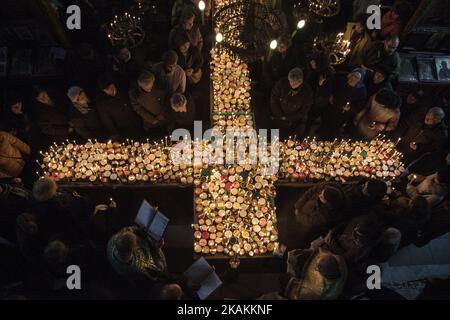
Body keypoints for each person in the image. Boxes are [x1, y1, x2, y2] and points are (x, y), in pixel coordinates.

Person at [282, 247, 347, 300]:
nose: (315, 266)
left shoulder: (318, 289)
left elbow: (300, 287)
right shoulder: (339, 260)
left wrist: (294, 266)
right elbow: (322, 253)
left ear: (322, 274)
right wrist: (307, 251)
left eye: (317, 267)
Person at [319, 68, 367, 139]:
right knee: (325, 122)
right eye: (353, 75)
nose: (353, 78)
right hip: (331, 107)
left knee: (335, 127)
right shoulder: (340, 78)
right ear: (349, 74)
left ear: (359, 81)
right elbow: (330, 86)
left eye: (356, 78)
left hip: (342, 113)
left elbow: (360, 104)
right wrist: (329, 95)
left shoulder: (361, 90)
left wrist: (351, 107)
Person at [96, 75, 143, 140]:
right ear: (103, 90)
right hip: (123, 129)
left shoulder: (124, 91)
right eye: (106, 89)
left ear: (113, 84)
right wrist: (115, 133)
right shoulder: (103, 103)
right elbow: (107, 120)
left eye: (110, 87)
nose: (109, 90)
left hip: (135, 123)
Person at [270, 67, 313, 137]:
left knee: (291, 139)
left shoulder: (307, 91)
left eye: (296, 82)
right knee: (276, 135)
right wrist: (278, 114)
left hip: (295, 121)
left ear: (301, 82)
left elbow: (304, 109)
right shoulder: (282, 83)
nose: (292, 84)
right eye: (291, 81)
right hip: (278, 116)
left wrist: (289, 118)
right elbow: (274, 97)